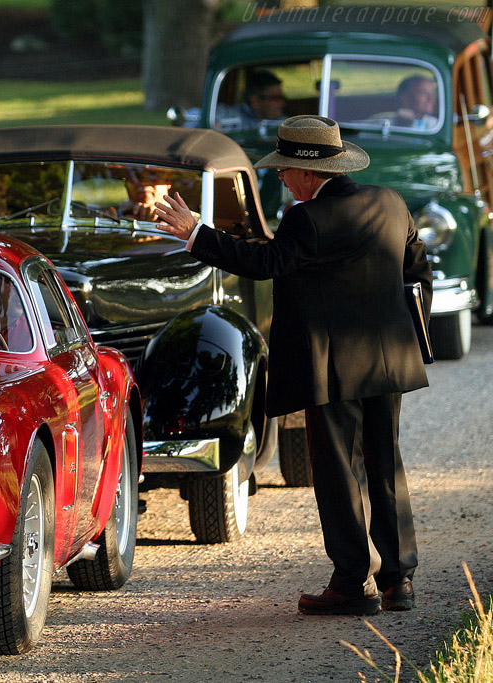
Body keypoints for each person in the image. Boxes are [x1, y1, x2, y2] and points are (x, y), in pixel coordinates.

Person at [154, 115, 433, 616]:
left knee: (339, 472)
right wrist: (404, 335)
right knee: (385, 464)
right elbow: (417, 272)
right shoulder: (391, 202)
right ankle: (398, 580)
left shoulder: (308, 219)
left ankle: (352, 584)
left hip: (332, 370)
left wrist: (197, 233)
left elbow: (265, 263)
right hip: (389, 362)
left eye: (284, 169)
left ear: (308, 172)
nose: (280, 178)